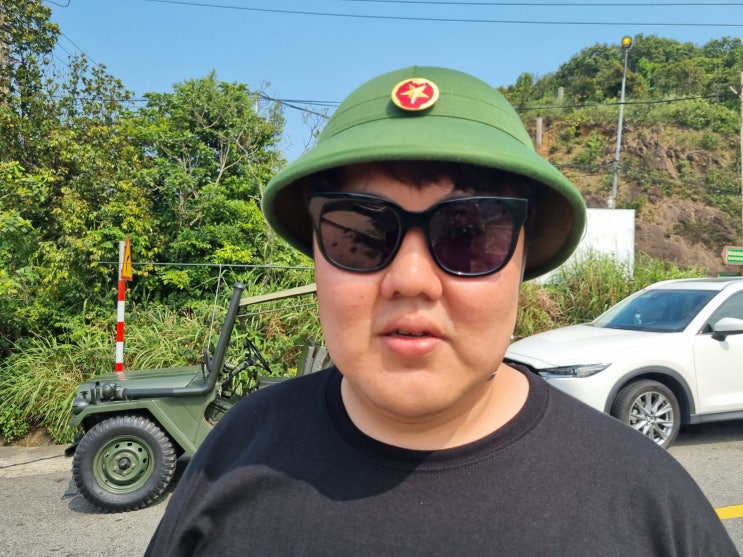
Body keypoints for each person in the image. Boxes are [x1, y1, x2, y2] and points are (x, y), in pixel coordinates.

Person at [145, 66, 737, 556]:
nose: (410, 280)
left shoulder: (648, 504)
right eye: (361, 235)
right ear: (318, 261)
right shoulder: (236, 449)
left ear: (522, 263)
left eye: (467, 235)